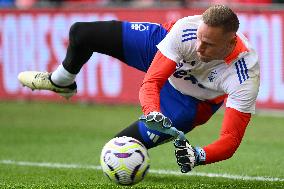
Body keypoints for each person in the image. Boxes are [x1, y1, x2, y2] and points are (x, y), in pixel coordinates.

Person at [18, 4, 260, 173]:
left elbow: (230, 140)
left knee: (118, 147)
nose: (199, 48)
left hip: (188, 103)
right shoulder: (187, 31)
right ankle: (62, 81)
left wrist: (199, 155)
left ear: (230, 42)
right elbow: (152, 82)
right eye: (199, 38)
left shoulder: (245, 74)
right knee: (81, 33)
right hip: (160, 52)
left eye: (208, 44)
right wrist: (151, 110)